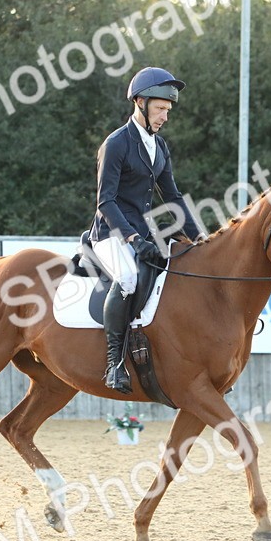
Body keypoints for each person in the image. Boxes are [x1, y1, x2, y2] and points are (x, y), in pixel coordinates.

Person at [89, 66, 205, 394]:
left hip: (143, 230)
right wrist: (134, 239)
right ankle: (114, 363)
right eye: (159, 109)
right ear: (140, 102)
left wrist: (199, 237)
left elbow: (173, 196)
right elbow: (106, 202)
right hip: (111, 233)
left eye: (168, 110)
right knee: (127, 278)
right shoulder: (116, 144)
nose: (165, 116)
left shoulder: (160, 147)